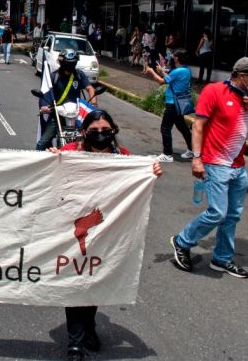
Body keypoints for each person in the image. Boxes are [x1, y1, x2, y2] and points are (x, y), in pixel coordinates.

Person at [49, 110, 163, 361]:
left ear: (113, 131)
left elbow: (135, 182)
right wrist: (52, 160)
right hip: (75, 229)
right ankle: (75, 343)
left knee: (95, 280)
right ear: (84, 133)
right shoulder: (70, 152)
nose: (100, 135)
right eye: (94, 131)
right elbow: (50, 180)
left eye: (106, 130)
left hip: (108, 233)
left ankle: (89, 326)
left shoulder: (123, 157)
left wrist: (150, 171)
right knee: (77, 282)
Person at [170, 57, 248, 279]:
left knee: (232, 215)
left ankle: (221, 259)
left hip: (238, 165)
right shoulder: (214, 91)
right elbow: (198, 125)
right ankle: (182, 240)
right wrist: (196, 158)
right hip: (216, 162)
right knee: (218, 212)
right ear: (242, 75)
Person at [35, 50, 97, 151]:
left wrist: (94, 103)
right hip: (57, 115)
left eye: (73, 63)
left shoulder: (79, 75)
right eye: (68, 63)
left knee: (90, 137)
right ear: (61, 62)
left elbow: (90, 88)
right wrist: (44, 107)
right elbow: (45, 93)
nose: (70, 65)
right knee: (42, 143)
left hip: (76, 116)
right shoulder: (54, 76)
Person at [145, 49, 194, 162]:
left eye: (174, 56)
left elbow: (162, 82)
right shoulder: (186, 70)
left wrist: (152, 72)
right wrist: (162, 71)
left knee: (165, 127)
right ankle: (192, 150)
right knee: (182, 127)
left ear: (177, 58)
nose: (172, 57)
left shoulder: (177, 71)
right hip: (179, 102)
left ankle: (167, 154)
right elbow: (171, 78)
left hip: (172, 103)